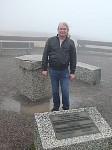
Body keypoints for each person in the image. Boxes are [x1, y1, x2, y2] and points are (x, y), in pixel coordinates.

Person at [42, 22, 77, 111]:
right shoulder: (51, 40)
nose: (62, 30)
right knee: (55, 91)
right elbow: (45, 54)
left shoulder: (71, 42)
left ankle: (66, 108)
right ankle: (56, 107)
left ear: (67, 30)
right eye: (61, 28)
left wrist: (72, 72)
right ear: (58, 30)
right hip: (53, 71)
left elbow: (73, 58)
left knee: (65, 91)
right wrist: (44, 69)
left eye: (64, 29)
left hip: (64, 71)